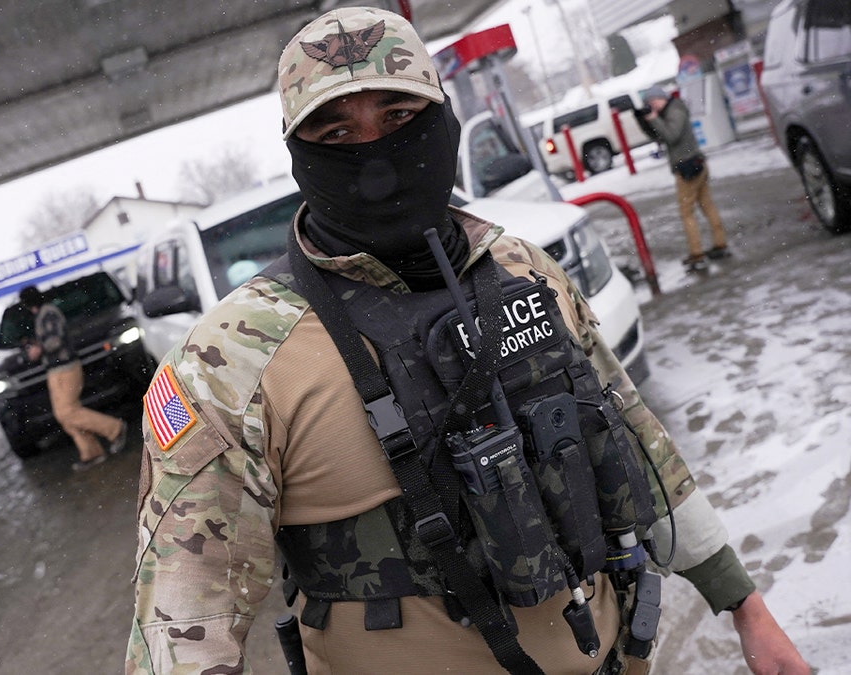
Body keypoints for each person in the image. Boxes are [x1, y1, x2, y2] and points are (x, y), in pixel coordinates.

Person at [126, 8, 808, 675]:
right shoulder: (229, 361)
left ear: (443, 122)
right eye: (337, 134)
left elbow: (633, 435)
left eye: (398, 119)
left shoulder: (521, 268)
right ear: (300, 156)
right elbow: (183, 622)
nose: (376, 157)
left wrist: (745, 605)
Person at [18, 285, 126, 471]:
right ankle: (91, 453)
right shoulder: (42, 316)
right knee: (64, 415)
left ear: (28, 303)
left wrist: (39, 349)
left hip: (65, 369)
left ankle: (114, 428)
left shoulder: (49, 313)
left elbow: (55, 340)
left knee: (67, 412)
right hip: (56, 370)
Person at [636, 85, 730, 272]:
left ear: (659, 98)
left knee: (687, 212)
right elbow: (659, 136)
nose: (652, 107)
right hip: (695, 164)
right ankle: (720, 244)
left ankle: (697, 254)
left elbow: (672, 136)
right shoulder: (672, 110)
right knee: (706, 205)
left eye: (652, 102)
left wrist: (654, 118)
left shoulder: (675, 111)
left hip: (688, 167)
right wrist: (644, 121)